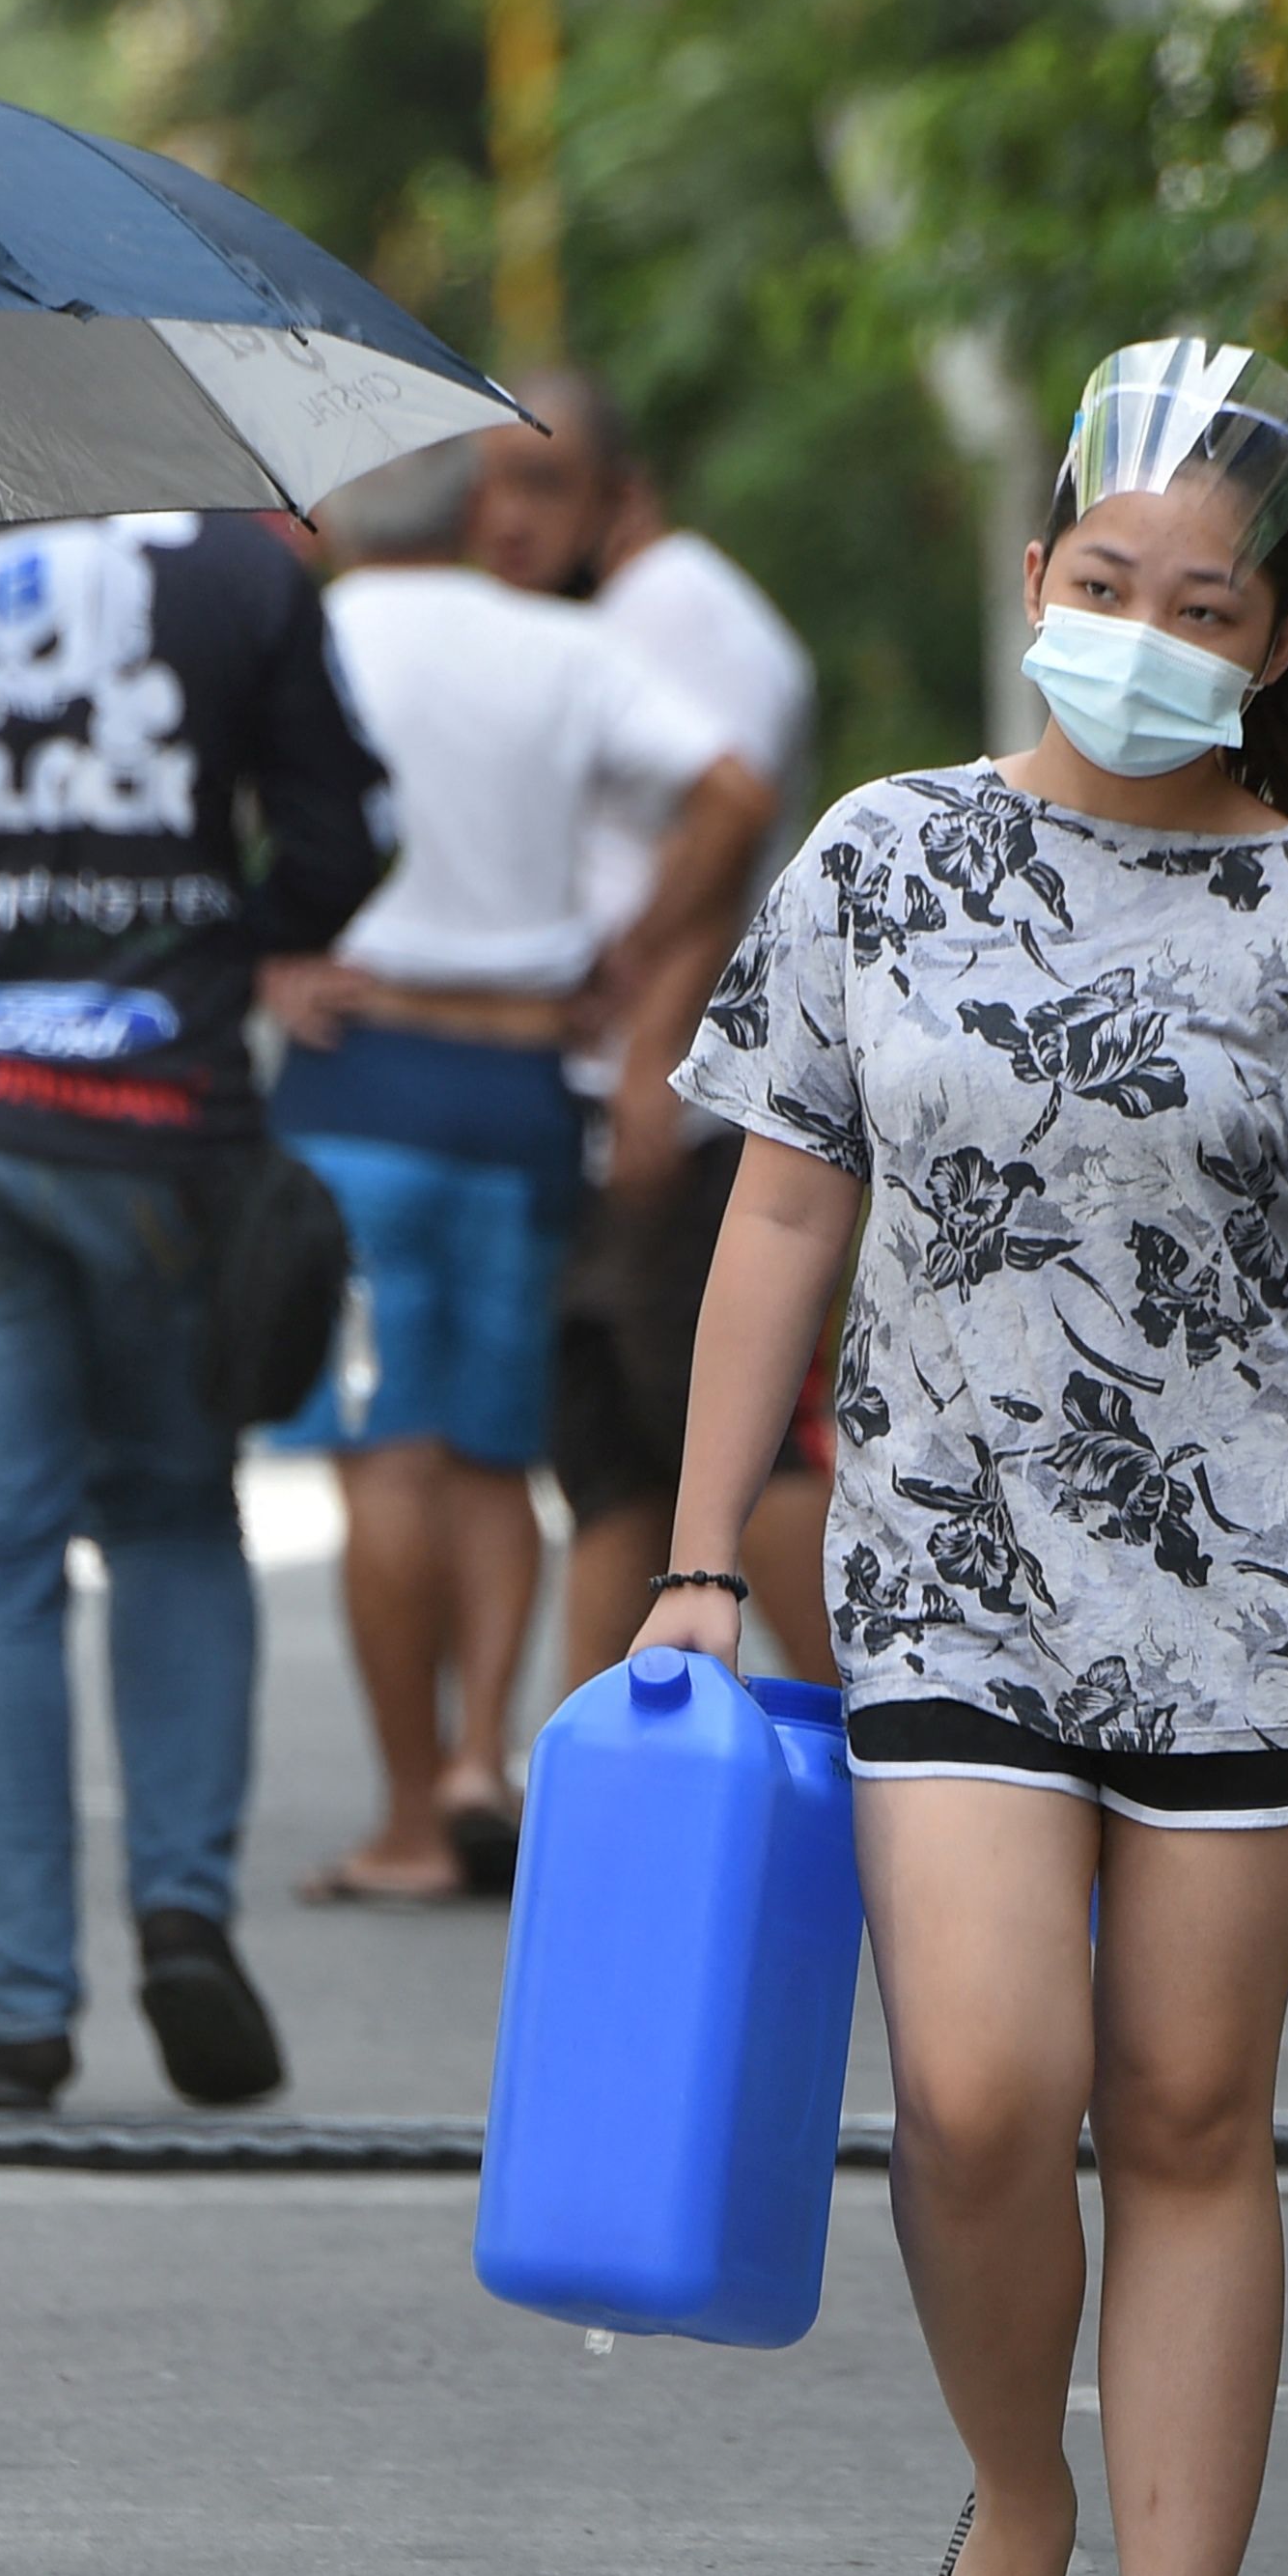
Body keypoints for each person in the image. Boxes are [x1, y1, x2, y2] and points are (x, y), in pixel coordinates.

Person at [636, 340, 1288, 2576]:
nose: (1139, 621)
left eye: (1199, 598)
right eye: (1100, 575)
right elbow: (781, 1208)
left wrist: (1231, 1324)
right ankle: (1009, 2495)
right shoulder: (876, 856)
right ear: (1037, 575)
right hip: (937, 1571)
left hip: (1257, 1602)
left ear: (1267, 639)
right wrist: (705, 1550)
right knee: (975, 2089)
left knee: (1180, 2105)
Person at [0, 510, 389, 2112]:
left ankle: (20, 2011)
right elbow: (347, 834)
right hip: (175, 1130)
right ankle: (184, 1908)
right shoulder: (244, 572)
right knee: (180, 1522)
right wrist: (222, 932)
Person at [283, 437, 774, 1901]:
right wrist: (627, 964)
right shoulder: (562, 645)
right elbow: (736, 792)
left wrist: (265, 958)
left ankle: (407, 1820)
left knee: (386, 1452)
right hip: (514, 1086)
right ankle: (480, 1758)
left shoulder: (308, 636)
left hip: (359, 1073)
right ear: (474, 510)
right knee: (497, 1456)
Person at [466, 370, 832, 1685]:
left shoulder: (681, 608)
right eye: (489, 486)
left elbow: (724, 837)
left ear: (625, 493)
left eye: (542, 484)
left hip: (684, 1107)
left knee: (730, 1450)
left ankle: (906, 1747)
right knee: (619, 1468)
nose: (504, 518)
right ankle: (605, 1790)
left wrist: (641, 1053)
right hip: (638, 1094)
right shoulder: (624, 612)